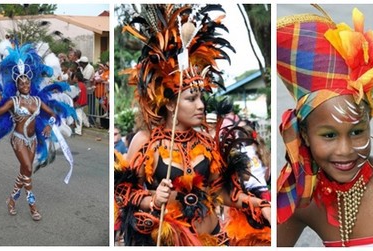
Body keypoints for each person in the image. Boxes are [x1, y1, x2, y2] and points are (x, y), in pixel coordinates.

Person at [275, 6, 373, 247]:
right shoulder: (300, 198)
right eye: (329, 135)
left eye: (357, 132)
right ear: (304, 135)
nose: (345, 150)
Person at [114, 4, 270, 246]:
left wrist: (259, 205)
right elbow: (124, 192)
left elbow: (220, 193)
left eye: (201, 98)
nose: (200, 106)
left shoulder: (207, 144)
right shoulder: (146, 142)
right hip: (171, 240)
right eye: (191, 98)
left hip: (215, 239)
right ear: (169, 105)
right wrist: (152, 200)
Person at [0, 44, 77, 221]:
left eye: (27, 82)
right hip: (18, 140)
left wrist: (50, 125)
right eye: (22, 83)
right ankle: (32, 206)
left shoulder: (36, 100)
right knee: (27, 168)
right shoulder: (13, 101)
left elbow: (52, 114)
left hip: (33, 139)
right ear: (17, 85)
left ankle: (11, 199)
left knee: (26, 172)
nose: (25, 85)